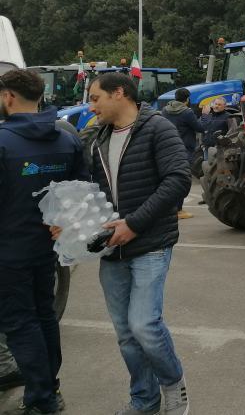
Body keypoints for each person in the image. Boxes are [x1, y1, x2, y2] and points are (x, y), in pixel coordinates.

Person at [86, 72, 192, 415]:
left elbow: (178, 180)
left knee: (144, 325)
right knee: (125, 334)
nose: (91, 106)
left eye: (95, 98)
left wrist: (133, 224)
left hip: (150, 242)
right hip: (111, 248)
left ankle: (174, 387)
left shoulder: (158, 128)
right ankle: (144, 401)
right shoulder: (97, 137)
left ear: (119, 93)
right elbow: (90, 190)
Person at [0, 69, 87, 414]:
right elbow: (82, 192)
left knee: (21, 324)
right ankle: (50, 388)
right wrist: (62, 223)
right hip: (46, 248)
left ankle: (42, 399)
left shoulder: (3, 142)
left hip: (8, 251)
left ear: (8, 96)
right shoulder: (66, 139)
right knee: (44, 317)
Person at [161, 88, 203, 219]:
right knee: (182, 180)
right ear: (187, 99)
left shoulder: (165, 110)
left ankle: (169, 208)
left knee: (169, 180)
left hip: (167, 148)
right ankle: (178, 210)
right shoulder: (187, 112)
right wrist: (205, 116)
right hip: (184, 149)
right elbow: (199, 128)